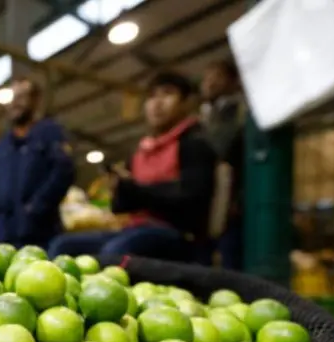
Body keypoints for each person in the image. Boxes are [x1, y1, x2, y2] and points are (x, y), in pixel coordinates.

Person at [48, 71, 217, 260]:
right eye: (152, 97)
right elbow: (120, 207)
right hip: (134, 229)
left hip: (176, 234)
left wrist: (135, 190)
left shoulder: (194, 143)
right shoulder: (140, 152)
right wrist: (119, 189)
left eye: (168, 94)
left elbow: (192, 199)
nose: (157, 103)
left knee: (115, 252)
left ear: (186, 103)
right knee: (63, 246)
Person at [0, 77, 74, 249]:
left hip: (42, 234)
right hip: (6, 236)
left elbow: (64, 171)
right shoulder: (2, 146)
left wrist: (36, 207)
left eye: (21, 97)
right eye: (12, 99)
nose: (15, 104)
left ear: (35, 101)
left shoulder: (50, 133)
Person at [200, 58, 247, 270]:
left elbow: (223, 149)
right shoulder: (207, 113)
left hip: (229, 194)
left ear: (233, 81)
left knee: (230, 249)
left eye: (216, 77)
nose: (209, 83)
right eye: (206, 78)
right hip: (209, 195)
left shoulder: (238, 111)